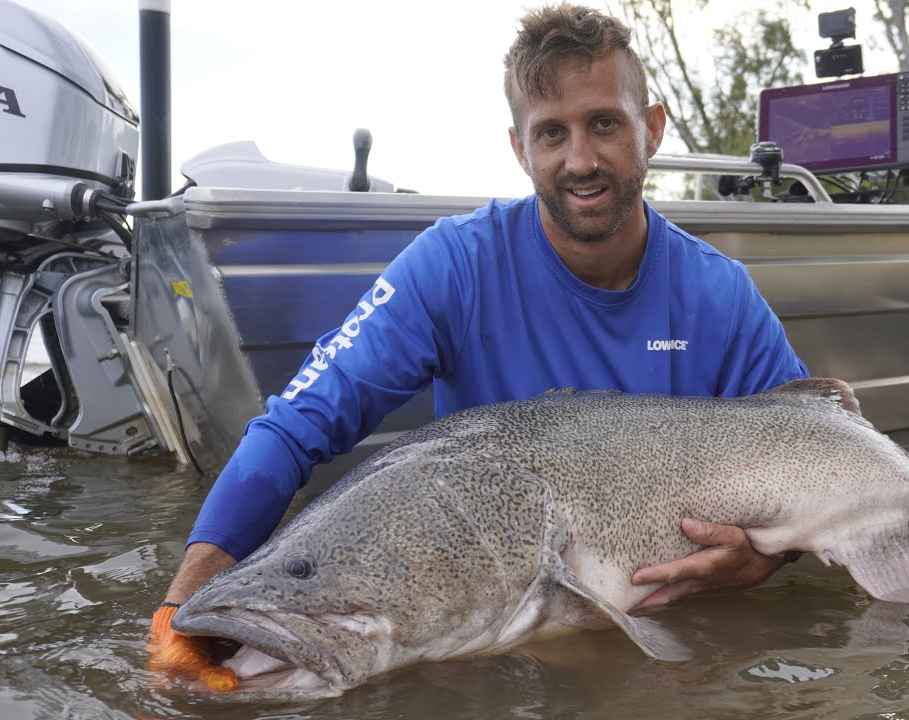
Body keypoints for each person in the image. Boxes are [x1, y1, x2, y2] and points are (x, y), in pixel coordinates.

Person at [147, 2, 809, 689]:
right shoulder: (453, 266)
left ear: (652, 128)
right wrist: (183, 605)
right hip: (502, 621)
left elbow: (824, 453)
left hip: (673, 641)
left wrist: (768, 559)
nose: (579, 159)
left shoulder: (720, 294)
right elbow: (292, 429)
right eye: (551, 133)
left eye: (604, 123)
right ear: (521, 149)